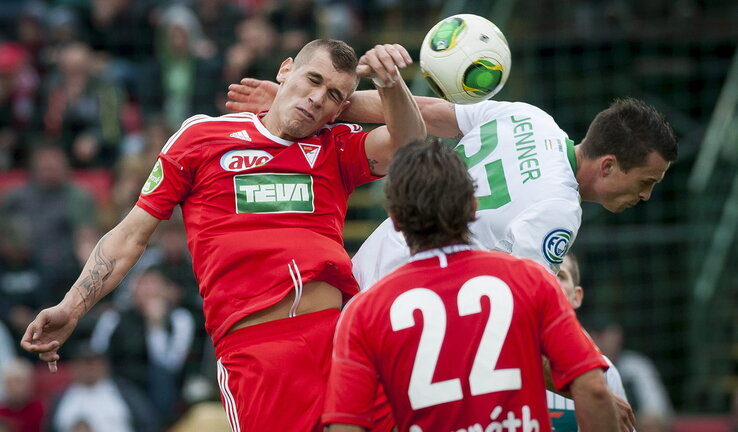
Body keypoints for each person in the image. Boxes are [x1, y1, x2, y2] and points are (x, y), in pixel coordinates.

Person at [22, 39, 425, 432]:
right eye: (312, 80)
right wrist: (72, 307)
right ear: (286, 70)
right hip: (259, 350)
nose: (318, 98)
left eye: (334, 94)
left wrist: (390, 83)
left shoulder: (335, 147)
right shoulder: (202, 138)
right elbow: (131, 235)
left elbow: (412, 145)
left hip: (340, 335)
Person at [225, 81, 678, 286]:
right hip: (410, 312)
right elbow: (525, 307)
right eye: (646, 181)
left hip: (366, 268)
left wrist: (317, 103)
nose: (645, 196)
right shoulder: (560, 210)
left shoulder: (528, 117)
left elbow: (424, 111)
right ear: (609, 165)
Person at [322, 139, 618, 432]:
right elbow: (593, 389)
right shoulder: (530, 278)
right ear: (474, 207)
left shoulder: (364, 311)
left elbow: (345, 424)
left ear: (396, 221)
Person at [547, 252, 629, 431]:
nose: (550, 281)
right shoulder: (501, 366)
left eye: (560, 275)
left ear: (576, 296)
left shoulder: (605, 372)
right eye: (543, 272)